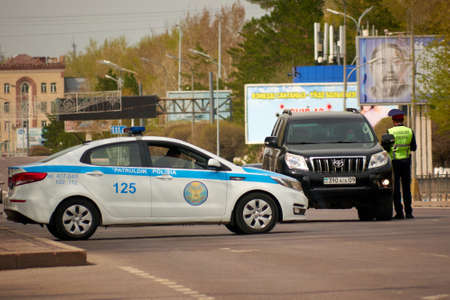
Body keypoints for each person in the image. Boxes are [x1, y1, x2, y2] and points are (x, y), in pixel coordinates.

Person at [387, 109, 417, 219]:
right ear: (403, 120)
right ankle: (409, 212)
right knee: (406, 188)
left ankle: (399, 213)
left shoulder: (389, 132)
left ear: (393, 120)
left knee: (396, 189)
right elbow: (414, 148)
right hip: (406, 162)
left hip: (394, 163)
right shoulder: (409, 131)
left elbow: (385, 148)